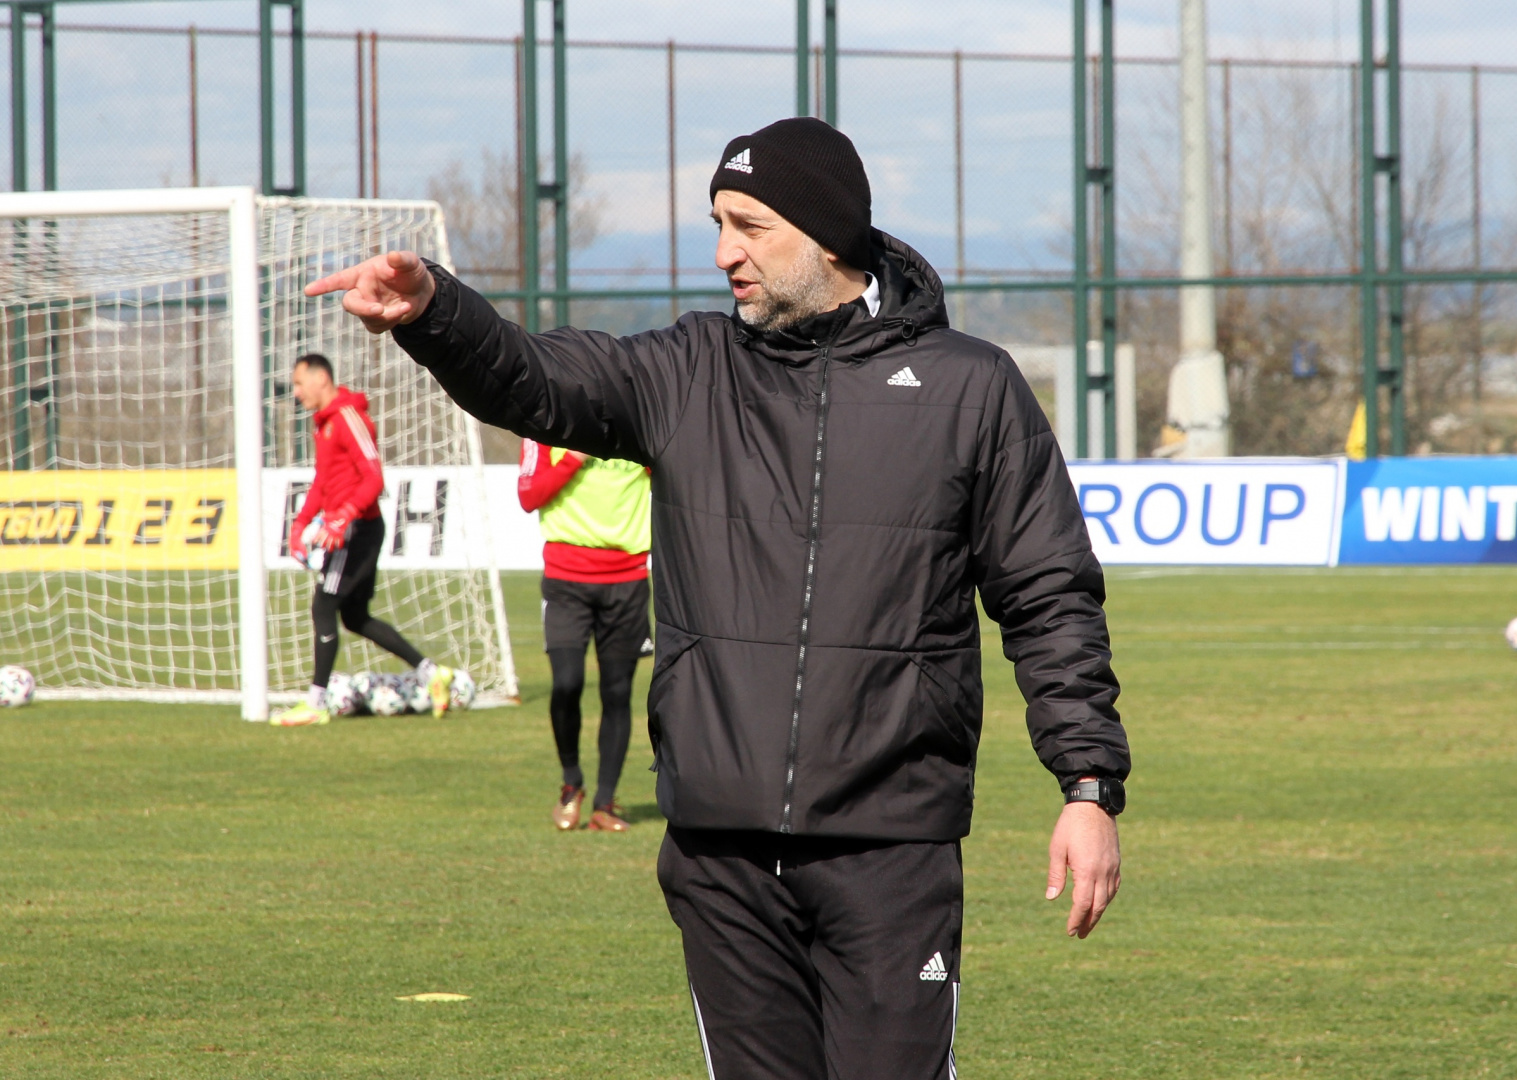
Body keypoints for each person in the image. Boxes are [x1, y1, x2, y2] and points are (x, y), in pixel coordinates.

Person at [309, 118, 1129, 1078]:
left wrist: (1087, 787)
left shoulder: (970, 388)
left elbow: (1050, 598)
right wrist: (434, 312)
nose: (724, 252)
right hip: (720, 860)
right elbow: (537, 380)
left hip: (891, 852)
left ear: (829, 235)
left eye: (750, 225)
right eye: (718, 224)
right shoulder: (687, 369)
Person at [272, 353, 454, 727]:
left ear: (321, 379)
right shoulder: (323, 425)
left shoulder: (348, 418)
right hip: (350, 528)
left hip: (356, 530)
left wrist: (343, 517)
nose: (297, 392)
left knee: (324, 606)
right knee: (354, 617)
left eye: (299, 383)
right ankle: (432, 673)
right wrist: (299, 525)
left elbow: (374, 478)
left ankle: (316, 703)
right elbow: (323, 482)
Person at [517, 438, 653, 832]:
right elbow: (529, 495)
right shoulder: (545, 427)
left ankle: (604, 804)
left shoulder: (637, 426)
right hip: (565, 581)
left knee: (617, 693)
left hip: (628, 581)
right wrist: (575, 457)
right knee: (567, 682)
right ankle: (571, 783)